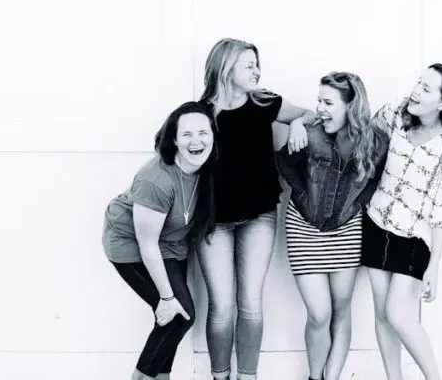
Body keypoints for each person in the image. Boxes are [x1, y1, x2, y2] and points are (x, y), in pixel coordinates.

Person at [196, 38, 316, 380]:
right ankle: (220, 376)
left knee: (250, 303)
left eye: (257, 64)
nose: (256, 70)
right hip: (213, 220)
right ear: (225, 68)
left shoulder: (267, 103)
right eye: (248, 65)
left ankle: (248, 376)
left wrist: (294, 123)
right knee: (220, 308)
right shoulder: (201, 113)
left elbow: (310, 114)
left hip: (259, 215)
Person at [361, 64, 442, 380]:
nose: (415, 91)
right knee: (382, 315)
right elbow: (364, 139)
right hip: (374, 223)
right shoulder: (395, 115)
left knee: (400, 315)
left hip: (413, 238)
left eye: (426, 88)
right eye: (418, 83)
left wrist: (433, 266)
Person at [275, 72, 389, 380]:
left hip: (347, 232)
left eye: (328, 102)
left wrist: (355, 207)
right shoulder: (309, 134)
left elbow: (374, 183)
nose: (320, 109)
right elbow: (285, 165)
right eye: (319, 101)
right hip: (304, 229)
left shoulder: (376, 141)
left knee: (341, 309)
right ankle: (315, 376)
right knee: (319, 314)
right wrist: (303, 198)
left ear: (351, 106)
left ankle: (332, 377)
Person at [101, 101, 219, 380]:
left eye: (203, 132)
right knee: (177, 314)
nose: (196, 141)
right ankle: (140, 377)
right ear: (174, 140)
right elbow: (147, 244)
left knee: (175, 319)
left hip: (169, 244)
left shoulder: (207, 166)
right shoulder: (156, 179)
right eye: (187, 134)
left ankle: (160, 377)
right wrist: (166, 298)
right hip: (130, 244)